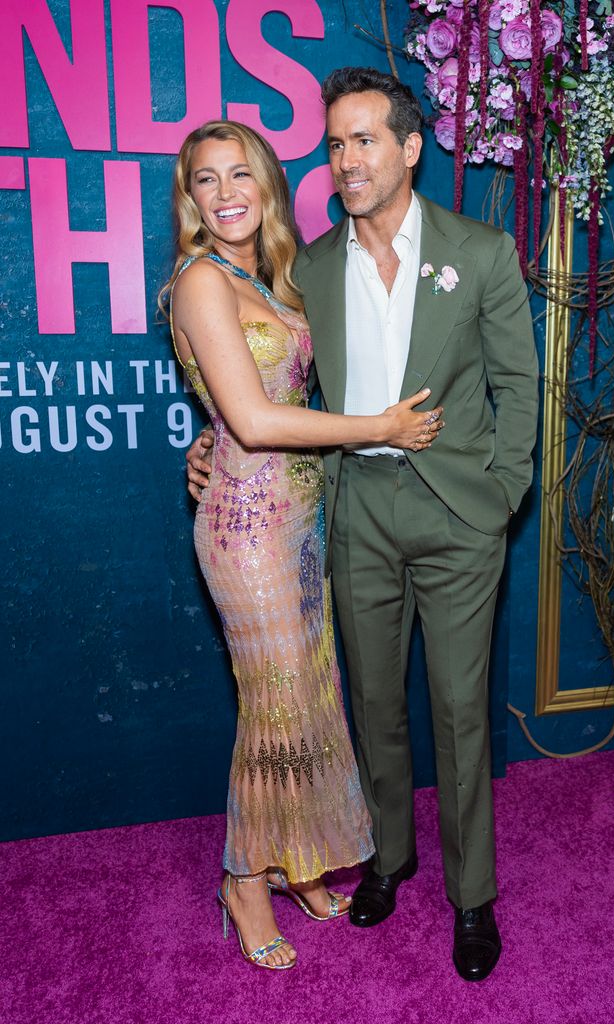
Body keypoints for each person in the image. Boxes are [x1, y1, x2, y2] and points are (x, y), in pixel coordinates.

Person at [186, 67, 539, 982]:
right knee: (373, 708)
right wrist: (210, 441)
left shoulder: (484, 251)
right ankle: (388, 858)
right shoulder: (307, 269)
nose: (345, 160)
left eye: (365, 140)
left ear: (410, 147)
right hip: (355, 512)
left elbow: (518, 388)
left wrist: (500, 496)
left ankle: (472, 897)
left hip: (459, 511)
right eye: (334, 144)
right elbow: (261, 380)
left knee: (461, 714)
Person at [161, 119, 444, 971]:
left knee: (311, 694)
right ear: (190, 198)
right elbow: (249, 418)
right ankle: (245, 878)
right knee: (273, 707)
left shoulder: (276, 275)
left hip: (302, 523)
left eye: (240, 174)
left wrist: (205, 437)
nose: (226, 193)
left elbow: (239, 403)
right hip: (247, 531)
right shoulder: (203, 282)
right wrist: (382, 428)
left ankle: (296, 858)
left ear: (269, 186)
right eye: (206, 180)